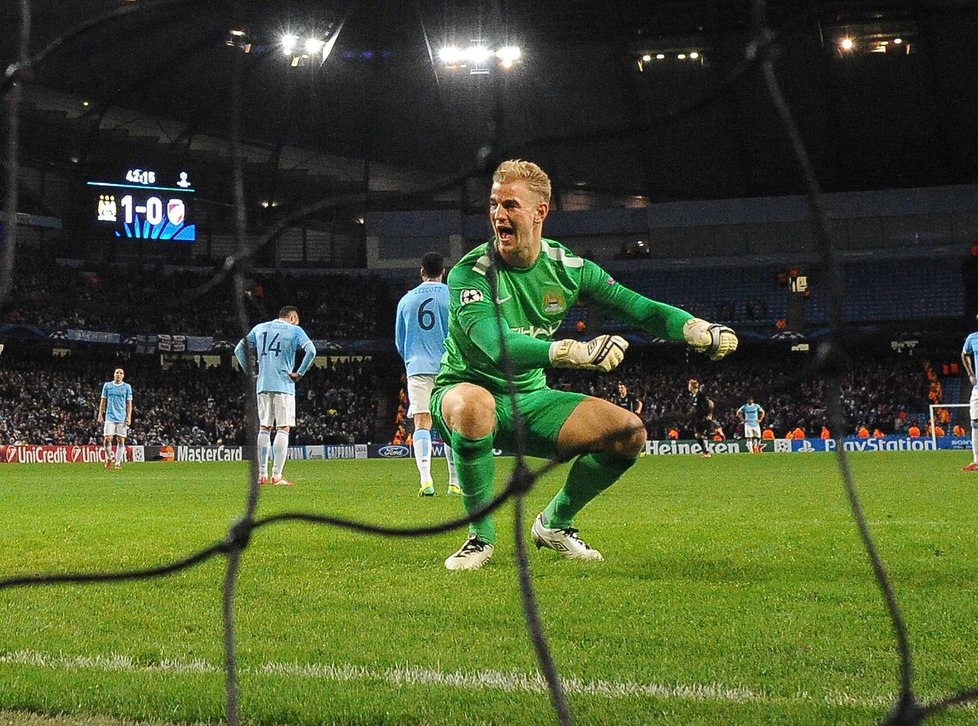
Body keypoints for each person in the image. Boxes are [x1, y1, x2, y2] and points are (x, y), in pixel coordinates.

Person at [430, 159, 737, 570]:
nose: (498, 215)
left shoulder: (568, 268)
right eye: (493, 204)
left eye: (510, 205)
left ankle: (555, 524)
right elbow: (496, 346)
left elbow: (638, 308)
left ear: (540, 212)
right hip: (464, 391)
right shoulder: (471, 272)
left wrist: (694, 328)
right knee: (474, 404)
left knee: (629, 433)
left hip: (531, 399)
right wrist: (569, 351)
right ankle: (479, 538)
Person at [395, 251, 460, 496]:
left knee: (422, 423)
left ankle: (426, 479)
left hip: (418, 367)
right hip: (449, 367)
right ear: (443, 272)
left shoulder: (406, 300)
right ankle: (454, 482)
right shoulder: (452, 296)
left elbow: (400, 342)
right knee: (451, 425)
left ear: (422, 272)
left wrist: (412, 361)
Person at [234, 305, 316, 485]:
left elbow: (239, 349)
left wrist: (250, 372)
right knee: (283, 428)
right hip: (284, 384)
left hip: (262, 384)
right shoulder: (295, 330)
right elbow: (312, 351)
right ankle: (277, 475)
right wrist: (300, 372)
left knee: (264, 427)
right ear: (293, 317)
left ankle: (261, 474)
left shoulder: (260, 328)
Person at [97, 367, 133, 470]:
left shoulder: (127, 387)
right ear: (114, 374)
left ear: (123, 375)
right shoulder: (107, 386)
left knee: (121, 440)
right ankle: (109, 457)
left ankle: (117, 463)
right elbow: (103, 401)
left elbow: (129, 403)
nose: (118, 374)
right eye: (117, 372)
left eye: (121, 373)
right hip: (110, 416)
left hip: (121, 417)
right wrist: (100, 414)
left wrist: (129, 416)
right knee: (108, 439)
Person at [688, 379, 718, 457]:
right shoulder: (692, 396)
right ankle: (706, 452)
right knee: (697, 435)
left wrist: (710, 414)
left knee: (702, 435)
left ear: (692, 386)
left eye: (689, 385)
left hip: (703, 417)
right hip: (697, 418)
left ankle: (707, 452)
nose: (688, 387)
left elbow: (711, 403)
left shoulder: (701, 394)